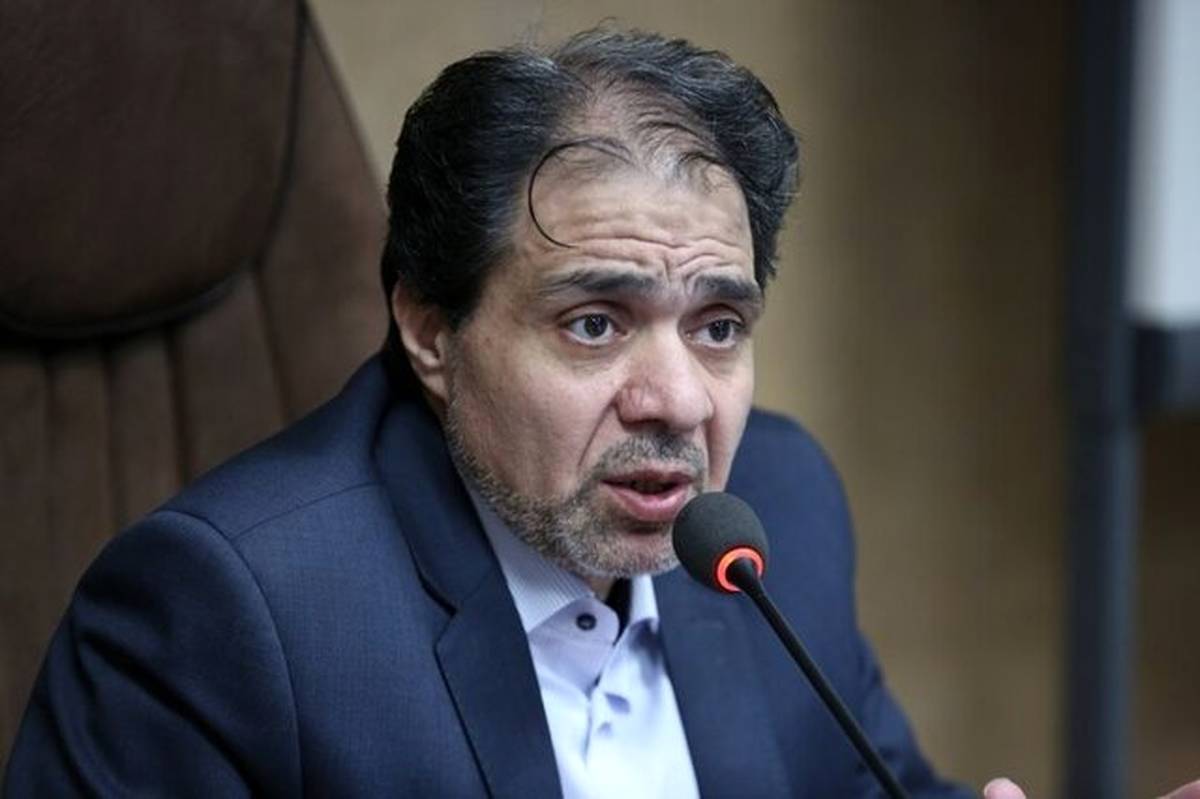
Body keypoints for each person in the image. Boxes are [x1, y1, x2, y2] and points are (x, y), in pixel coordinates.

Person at [4, 27, 1130, 798]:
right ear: (431, 329)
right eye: (595, 322)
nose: (677, 399)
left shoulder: (779, 504)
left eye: (718, 326)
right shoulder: (226, 612)